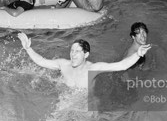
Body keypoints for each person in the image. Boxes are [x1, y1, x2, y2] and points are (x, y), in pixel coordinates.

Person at [17, 32, 152, 89]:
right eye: (72, 51)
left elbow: (121, 66)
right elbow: (42, 61)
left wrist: (138, 55)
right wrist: (28, 48)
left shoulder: (93, 69)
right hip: (65, 99)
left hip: (83, 105)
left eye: (77, 52)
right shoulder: (64, 64)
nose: (73, 55)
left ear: (86, 54)